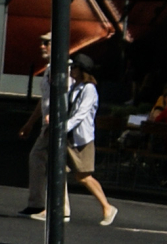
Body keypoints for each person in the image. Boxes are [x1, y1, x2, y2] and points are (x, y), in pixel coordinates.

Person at [50, 55, 117, 227]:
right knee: (57, 170)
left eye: (74, 68)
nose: (71, 71)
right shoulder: (75, 86)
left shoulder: (89, 89)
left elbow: (80, 114)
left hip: (81, 139)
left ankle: (107, 207)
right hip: (69, 137)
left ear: (82, 70)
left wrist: (61, 127)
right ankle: (61, 209)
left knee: (83, 176)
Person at [18, 33, 56, 214]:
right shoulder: (50, 69)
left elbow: (65, 97)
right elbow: (44, 100)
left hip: (55, 125)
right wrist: (30, 123)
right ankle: (42, 205)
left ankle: (40, 205)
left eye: (46, 43)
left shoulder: (61, 69)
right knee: (53, 164)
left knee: (40, 158)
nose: (42, 46)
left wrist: (55, 118)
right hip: (48, 124)